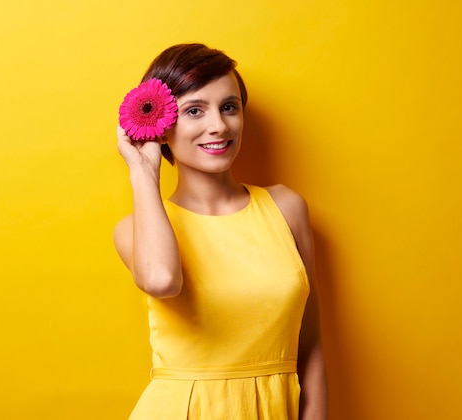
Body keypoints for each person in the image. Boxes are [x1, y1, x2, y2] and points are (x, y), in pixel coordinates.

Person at [113, 43, 328, 420]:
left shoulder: (286, 208)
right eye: (194, 110)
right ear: (161, 127)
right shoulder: (134, 231)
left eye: (229, 107)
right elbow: (162, 279)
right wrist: (142, 172)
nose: (219, 125)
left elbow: (310, 344)